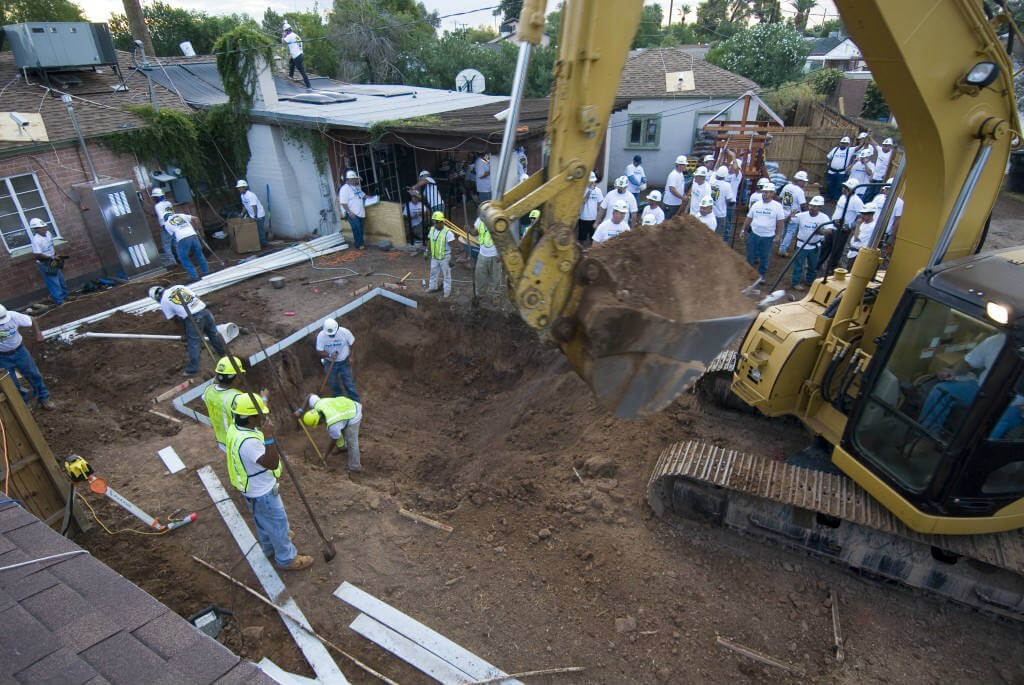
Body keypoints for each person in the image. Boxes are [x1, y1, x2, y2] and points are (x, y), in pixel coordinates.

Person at [227, 392, 312, 570]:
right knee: (277, 524)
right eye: (260, 415)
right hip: (263, 492)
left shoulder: (236, 428)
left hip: (252, 490)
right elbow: (272, 463)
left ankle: (269, 547)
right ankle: (287, 559)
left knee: (262, 521)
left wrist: (263, 401)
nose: (264, 418)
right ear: (250, 418)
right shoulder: (249, 442)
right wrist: (269, 437)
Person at [919, 333, 1006, 434]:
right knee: (940, 391)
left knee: (998, 427)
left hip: (1014, 402)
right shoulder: (998, 340)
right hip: (981, 388)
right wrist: (954, 372)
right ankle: (926, 437)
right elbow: (969, 361)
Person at [150, 284, 226, 376]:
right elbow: (197, 296)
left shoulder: (164, 301)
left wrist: (185, 333)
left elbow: (174, 320)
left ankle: (192, 369)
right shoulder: (178, 287)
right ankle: (224, 355)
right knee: (214, 334)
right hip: (205, 311)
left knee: (193, 342)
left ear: (156, 298)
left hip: (193, 317)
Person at [0, 304, 54, 410]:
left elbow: (32, 319)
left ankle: (44, 398)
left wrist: (38, 334)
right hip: (2, 357)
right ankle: (24, 405)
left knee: (34, 375)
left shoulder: (13, 316)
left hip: (20, 351)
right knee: (11, 384)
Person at [303, 393, 363, 471]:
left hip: (354, 412)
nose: (319, 425)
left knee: (352, 441)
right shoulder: (317, 404)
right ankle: (342, 447)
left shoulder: (332, 424)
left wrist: (325, 455)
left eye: (317, 424)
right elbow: (309, 395)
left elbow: (334, 440)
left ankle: (355, 466)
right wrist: (300, 410)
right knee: (338, 430)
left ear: (319, 420)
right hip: (343, 406)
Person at [203, 356, 247, 453]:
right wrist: (264, 399)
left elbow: (214, 387)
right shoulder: (236, 397)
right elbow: (254, 416)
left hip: (222, 440)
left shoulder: (208, 391)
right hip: (238, 443)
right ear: (236, 377)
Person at [822, 177, 866, 274]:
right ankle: (819, 266)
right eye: (844, 187)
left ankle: (830, 270)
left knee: (836, 251)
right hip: (832, 225)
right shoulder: (842, 197)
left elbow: (861, 217)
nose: (844, 189)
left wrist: (849, 225)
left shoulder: (857, 201)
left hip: (842, 230)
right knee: (826, 247)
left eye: (847, 188)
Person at [741, 183, 785, 277]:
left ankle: (761, 275)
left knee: (764, 256)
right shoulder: (756, 205)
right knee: (750, 255)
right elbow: (749, 218)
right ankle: (748, 274)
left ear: (773, 194)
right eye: (764, 192)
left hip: (768, 236)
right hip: (754, 233)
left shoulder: (777, 206)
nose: (765, 194)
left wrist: (778, 235)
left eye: (768, 192)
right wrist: (743, 229)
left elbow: (780, 222)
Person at [790, 195, 831, 290]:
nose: (812, 208)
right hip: (802, 244)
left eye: (815, 206)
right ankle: (795, 282)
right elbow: (789, 220)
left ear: (820, 207)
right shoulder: (802, 215)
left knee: (813, 265)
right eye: (811, 205)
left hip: (814, 245)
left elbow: (830, 230)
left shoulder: (824, 218)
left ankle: (810, 281)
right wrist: (791, 216)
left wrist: (822, 231)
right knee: (798, 265)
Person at [316, 317, 359, 401]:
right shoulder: (321, 336)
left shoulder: (344, 332)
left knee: (349, 383)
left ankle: (355, 402)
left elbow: (352, 344)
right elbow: (319, 352)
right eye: (330, 334)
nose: (332, 335)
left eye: (333, 334)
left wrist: (351, 356)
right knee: (333, 383)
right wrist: (329, 355)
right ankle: (339, 400)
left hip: (344, 361)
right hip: (329, 362)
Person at [29, 218, 67, 305]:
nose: (44, 229)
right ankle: (60, 302)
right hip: (45, 263)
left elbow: (51, 246)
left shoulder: (48, 234)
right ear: (36, 229)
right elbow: (37, 255)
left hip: (52, 259)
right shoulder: (36, 240)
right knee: (54, 283)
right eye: (42, 228)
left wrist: (56, 255)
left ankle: (65, 297)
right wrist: (50, 258)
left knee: (61, 280)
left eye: (45, 227)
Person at [163, 211, 209, 282]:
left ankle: (194, 276)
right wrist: (197, 229)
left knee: (183, 258)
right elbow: (196, 218)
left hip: (182, 239)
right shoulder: (180, 215)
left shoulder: (167, 223)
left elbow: (173, 235)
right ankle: (207, 273)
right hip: (193, 235)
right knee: (199, 255)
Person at [473, 212, 503, 308]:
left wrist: (500, 254)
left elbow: (503, 238)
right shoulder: (480, 220)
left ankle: (495, 296)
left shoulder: (498, 221)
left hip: (495, 255)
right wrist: (469, 230)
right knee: (480, 276)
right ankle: (480, 294)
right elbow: (475, 232)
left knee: (495, 277)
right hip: (482, 254)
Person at [777, 170, 809, 256]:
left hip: (784, 212)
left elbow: (780, 198)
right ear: (800, 181)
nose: (804, 184)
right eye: (803, 182)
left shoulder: (787, 186)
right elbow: (803, 205)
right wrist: (806, 214)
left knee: (784, 230)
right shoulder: (800, 191)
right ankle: (783, 249)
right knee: (790, 232)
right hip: (794, 214)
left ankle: (781, 246)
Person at [426, 211, 454, 297]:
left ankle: (447, 291)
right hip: (434, 257)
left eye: (436, 222)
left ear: (442, 222)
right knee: (433, 273)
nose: (435, 224)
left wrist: (452, 258)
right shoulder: (432, 229)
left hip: (445, 257)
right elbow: (429, 241)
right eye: (434, 222)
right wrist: (427, 251)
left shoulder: (448, 233)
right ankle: (432, 287)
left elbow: (453, 245)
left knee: (446, 275)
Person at [337, 170, 367, 250]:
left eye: (355, 179)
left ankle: (359, 244)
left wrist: (374, 198)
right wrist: (349, 212)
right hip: (351, 212)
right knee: (357, 228)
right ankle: (360, 245)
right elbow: (343, 203)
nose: (355, 180)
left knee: (359, 228)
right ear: (349, 180)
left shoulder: (357, 187)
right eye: (353, 179)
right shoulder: (344, 189)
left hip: (359, 212)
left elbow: (364, 196)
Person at [236, 180, 268, 248]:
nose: (239, 189)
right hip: (253, 215)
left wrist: (255, 216)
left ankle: (264, 245)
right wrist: (242, 213)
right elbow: (244, 205)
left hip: (259, 215)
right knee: (256, 230)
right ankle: (259, 243)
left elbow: (254, 206)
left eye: (240, 187)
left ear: (244, 187)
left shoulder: (250, 195)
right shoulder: (242, 195)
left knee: (260, 230)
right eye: (238, 188)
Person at [846, 201, 878, 266]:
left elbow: (856, 239)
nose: (862, 215)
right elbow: (854, 233)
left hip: (858, 255)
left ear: (871, 214)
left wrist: (857, 225)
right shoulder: (863, 222)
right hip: (852, 253)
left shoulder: (872, 226)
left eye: (864, 214)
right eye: (862, 213)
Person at [151, 187, 176, 266]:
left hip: (166, 226)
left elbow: (162, 217)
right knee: (176, 243)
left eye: (154, 198)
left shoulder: (157, 206)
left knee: (166, 245)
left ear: (157, 197)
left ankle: (172, 262)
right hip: (174, 224)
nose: (154, 199)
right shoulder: (168, 203)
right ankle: (182, 258)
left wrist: (164, 227)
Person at [825, 135, 854, 201]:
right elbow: (829, 157)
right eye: (842, 143)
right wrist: (828, 165)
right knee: (829, 184)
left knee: (839, 186)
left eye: (845, 143)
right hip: (832, 171)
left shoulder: (849, 150)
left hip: (841, 172)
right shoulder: (835, 149)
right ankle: (829, 197)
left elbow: (859, 147)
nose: (843, 144)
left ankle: (836, 198)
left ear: (847, 144)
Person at [282, 22, 311, 89]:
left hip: (297, 56)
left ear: (286, 31)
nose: (285, 33)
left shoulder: (289, 36)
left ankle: (308, 85)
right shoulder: (296, 35)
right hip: (300, 54)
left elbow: (283, 42)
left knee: (302, 71)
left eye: (285, 32)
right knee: (291, 62)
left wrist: (283, 36)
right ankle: (290, 76)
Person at [711, 166, 736, 240]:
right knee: (718, 236)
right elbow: (729, 199)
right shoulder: (726, 185)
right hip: (720, 214)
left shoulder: (711, 182)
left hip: (711, 212)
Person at [578, 171, 603, 242]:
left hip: (594, 219)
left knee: (593, 239)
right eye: (590, 181)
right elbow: (584, 201)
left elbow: (600, 205)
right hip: (583, 218)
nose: (592, 183)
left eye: (593, 181)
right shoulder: (582, 190)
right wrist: (589, 191)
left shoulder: (598, 191)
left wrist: (599, 219)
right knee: (582, 239)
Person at [663, 155, 687, 219]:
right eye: (684, 165)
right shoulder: (673, 175)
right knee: (667, 221)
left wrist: (683, 195)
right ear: (678, 165)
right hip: (670, 203)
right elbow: (672, 189)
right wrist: (682, 198)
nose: (685, 166)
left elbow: (680, 187)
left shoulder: (681, 174)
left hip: (676, 202)